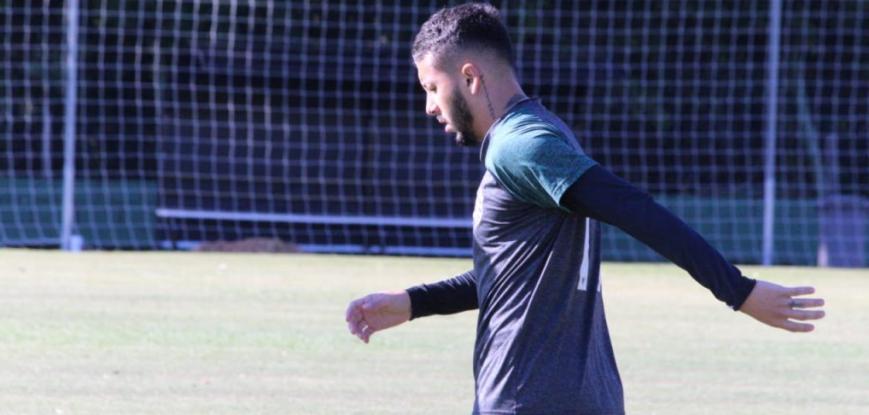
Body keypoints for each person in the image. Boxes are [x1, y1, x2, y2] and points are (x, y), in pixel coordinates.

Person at [345, 3, 825, 414]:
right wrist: (414, 303)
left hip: (526, 397)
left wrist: (737, 291)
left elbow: (633, 208)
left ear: (469, 76)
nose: (428, 105)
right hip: (581, 396)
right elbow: (514, 273)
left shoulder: (519, 146)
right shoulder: (542, 133)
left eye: (431, 86)